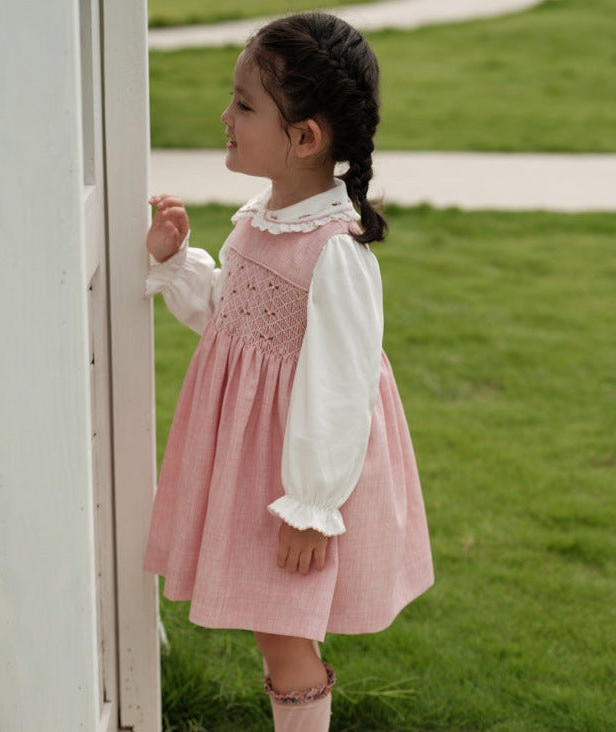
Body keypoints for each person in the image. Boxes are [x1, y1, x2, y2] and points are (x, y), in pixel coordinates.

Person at [143, 12, 434, 731]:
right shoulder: (261, 218)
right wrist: (177, 262)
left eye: (244, 105)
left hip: (293, 477)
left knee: (281, 629)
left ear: (305, 137)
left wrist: (312, 503)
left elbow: (343, 388)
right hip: (250, 463)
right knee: (272, 624)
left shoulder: (335, 251)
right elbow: (232, 324)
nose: (225, 116)